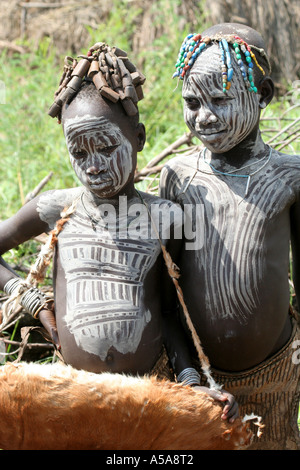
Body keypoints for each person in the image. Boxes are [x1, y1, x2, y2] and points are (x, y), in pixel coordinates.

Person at [0, 42, 238, 421]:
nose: (93, 166)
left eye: (108, 147)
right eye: (79, 153)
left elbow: (169, 309)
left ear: (139, 139)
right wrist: (28, 300)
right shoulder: (56, 209)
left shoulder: (166, 218)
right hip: (74, 395)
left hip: (147, 393)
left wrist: (192, 382)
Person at [159, 23, 300, 450]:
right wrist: (186, 373)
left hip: (278, 373)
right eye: (191, 101)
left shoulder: (289, 176)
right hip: (203, 379)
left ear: (264, 95)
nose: (204, 116)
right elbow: (168, 288)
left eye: (220, 99)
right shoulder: (181, 178)